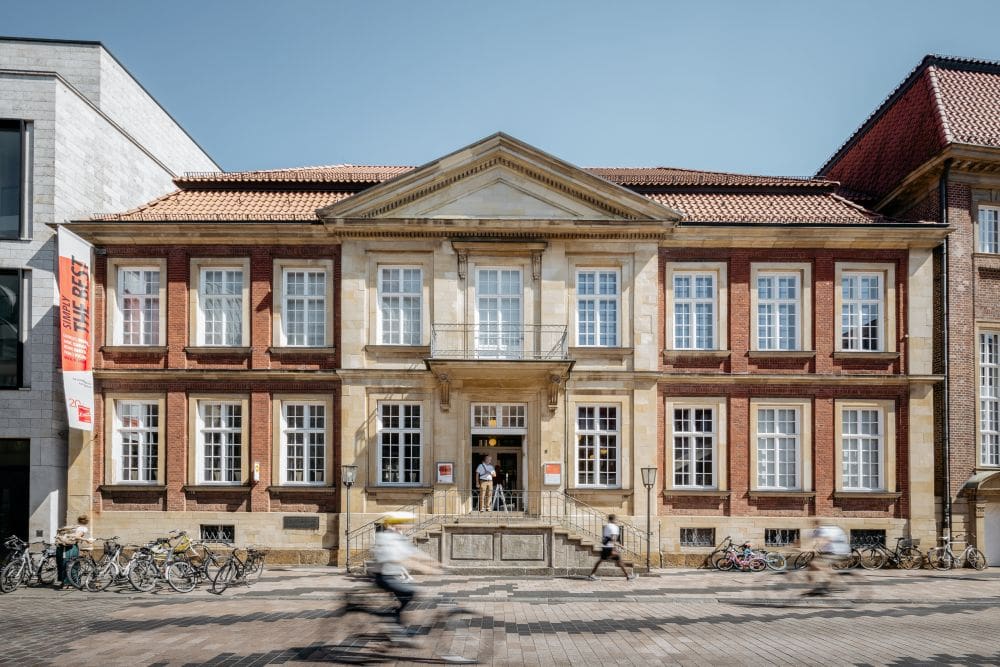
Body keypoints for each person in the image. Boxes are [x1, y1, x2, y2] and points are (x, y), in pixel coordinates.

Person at [367, 511, 441, 640]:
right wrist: (423, 568)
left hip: (393, 575)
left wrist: (434, 562)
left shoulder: (398, 537)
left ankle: (395, 622)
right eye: (404, 523)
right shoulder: (386, 537)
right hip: (384, 577)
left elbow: (413, 552)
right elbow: (398, 558)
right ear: (397, 524)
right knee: (410, 592)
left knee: (405, 597)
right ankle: (394, 624)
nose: (408, 525)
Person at [804, 520, 850, 597]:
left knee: (817, 565)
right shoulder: (815, 531)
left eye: (813, 523)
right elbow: (808, 539)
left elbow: (825, 540)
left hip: (838, 551)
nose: (812, 525)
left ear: (817, 523)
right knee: (812, 566)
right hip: (829, 552)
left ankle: (827, 586)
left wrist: (814, 547)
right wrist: (794, 546)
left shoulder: (822, 530)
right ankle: (816, 587)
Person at [588, 514, 636, 581]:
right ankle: (628, 576)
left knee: (601, 561)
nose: (617, 520)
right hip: (609, 548)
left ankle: (592, 574)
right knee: (619, 560)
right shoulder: (614, 527)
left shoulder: (607, 526)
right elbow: (613, 539)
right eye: (616, 519)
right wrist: (616, 548)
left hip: (605, 547)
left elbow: (607, 538)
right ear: (613, 519)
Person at [54, 515, 92, 589]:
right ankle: (69, 584)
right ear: (87, 521)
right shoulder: (83, 528)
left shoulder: (73, 526)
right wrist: (86, 540)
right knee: (71, 565)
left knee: (63, 564)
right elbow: (76, 537)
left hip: (61, 547)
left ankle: (63, 582)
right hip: (71, 547)